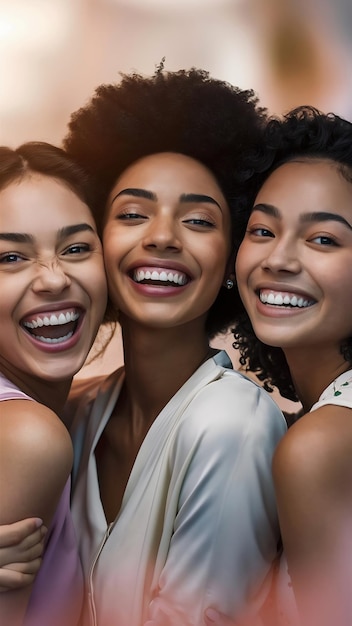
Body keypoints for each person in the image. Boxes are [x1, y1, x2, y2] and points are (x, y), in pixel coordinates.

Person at [0, 68, 287, 625]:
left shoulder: (233, 425)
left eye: (199, 219)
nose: (161, 235)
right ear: (103, 244)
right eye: (132, 214)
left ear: (231, 259)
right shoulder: (76, 412)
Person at [204, 106, 352, 626]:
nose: (279, 259)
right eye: (263, 230)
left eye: (324, 239)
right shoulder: (318, 429)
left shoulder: (319, 447)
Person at [0, 142, 107, 625]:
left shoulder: (77, 404)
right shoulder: (29, 436)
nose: (52, 278)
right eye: (8, 258)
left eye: (77, 248)